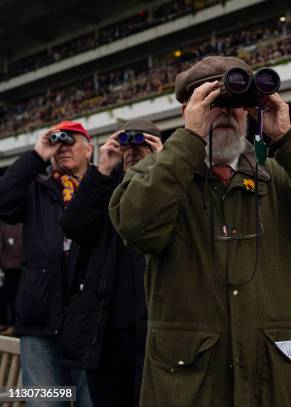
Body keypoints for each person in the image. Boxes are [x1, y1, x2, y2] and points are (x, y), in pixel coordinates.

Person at [108, 56, 291, 407]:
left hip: (270, 381)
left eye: (236, 104)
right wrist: (189, 140)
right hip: (191, 387)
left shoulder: (276, 175)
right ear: (188, 111)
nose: (225, 112)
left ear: (249, 112)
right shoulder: (155, 173)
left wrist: (288, 138)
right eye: (212, 104)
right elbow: (136, 226)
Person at [60, 119, 163, 407]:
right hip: (106, 328)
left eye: (142, 144)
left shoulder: (170, 181)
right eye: (127, 144)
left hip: (155, 323)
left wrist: (163, 166)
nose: (133, 150)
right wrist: (103, 169)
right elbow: (73, 225)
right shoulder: (105, 187)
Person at [0, 121, 93, 406]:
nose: (62, 147)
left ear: (89, 149)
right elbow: (3, 201)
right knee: (45, 402)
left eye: (71, 141)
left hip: (89, 325)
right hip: (40, 324)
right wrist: (36, 154)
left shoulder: (101, 188)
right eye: (57, 142)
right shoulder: (37, 189)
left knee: (91, 401)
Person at [0, 222, 22, 336]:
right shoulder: (5, 224)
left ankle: (15, 324)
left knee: (15, 298)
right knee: (10, 297)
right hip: (10, 268)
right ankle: (11, 324)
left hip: (20, 267)